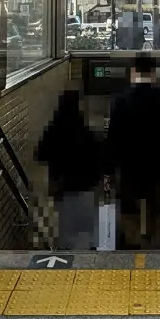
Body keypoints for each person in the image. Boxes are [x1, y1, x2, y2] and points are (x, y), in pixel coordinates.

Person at [107, 55, 160, 248]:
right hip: (158, 168)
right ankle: (155, 249)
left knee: (130, 212)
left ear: (133, 72)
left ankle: (134, 247)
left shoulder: (120, 100)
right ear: (153, 72)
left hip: (129, 168)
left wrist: (109, 170)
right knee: (157, 211)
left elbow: (113, 138)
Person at [35, 89, 101, 250]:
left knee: (66, 231)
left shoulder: (53, 130)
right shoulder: (85, 131)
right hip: (86, 187)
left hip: (63, 189)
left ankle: (67, 255)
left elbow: (40, 155)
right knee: (86, 230)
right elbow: (97, 159)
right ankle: (87, 256)